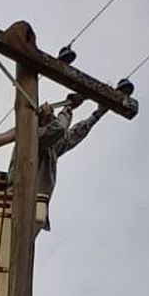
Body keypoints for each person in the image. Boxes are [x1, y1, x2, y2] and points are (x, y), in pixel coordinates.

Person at [34, 93, 106, 224]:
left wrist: (97, 115)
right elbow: (59, 129)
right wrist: (67, 109)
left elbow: (74, 134)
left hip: (36, 209)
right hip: (20, 202)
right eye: (49, 119)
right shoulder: (33, 139)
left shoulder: (51, 149)